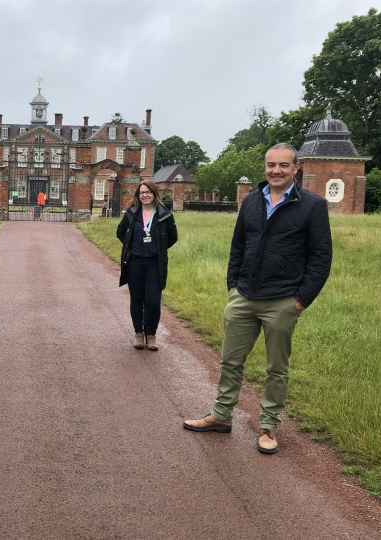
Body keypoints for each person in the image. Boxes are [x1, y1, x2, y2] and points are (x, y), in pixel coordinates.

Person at [183, 143, 332, 455]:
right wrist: (232, 285)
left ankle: (268, 425)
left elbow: (321, 258)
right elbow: (238, 245)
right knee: (230, 360)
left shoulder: (312, 205)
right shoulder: (251, 200)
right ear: (265, 167)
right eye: (271, 165)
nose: (276, 171)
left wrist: (301, 300)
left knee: (276, 367)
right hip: (244, 295)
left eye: (283, 165)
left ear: (296, 169)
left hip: (282, 299)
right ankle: (221, 416)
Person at [116, 180, 178, 351]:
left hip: (154, 263)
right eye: (142, 192)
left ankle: (151, 335)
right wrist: (132, 246)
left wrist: (157, 248)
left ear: (154, 193)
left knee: (152, 301)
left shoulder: (164, 214)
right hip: (134, 262)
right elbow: (120, 233)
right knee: (137, 300)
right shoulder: (132, 213)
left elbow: (173, 237)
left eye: (148, 192)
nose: (145, 195)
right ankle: (138, 334)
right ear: (138, 195)